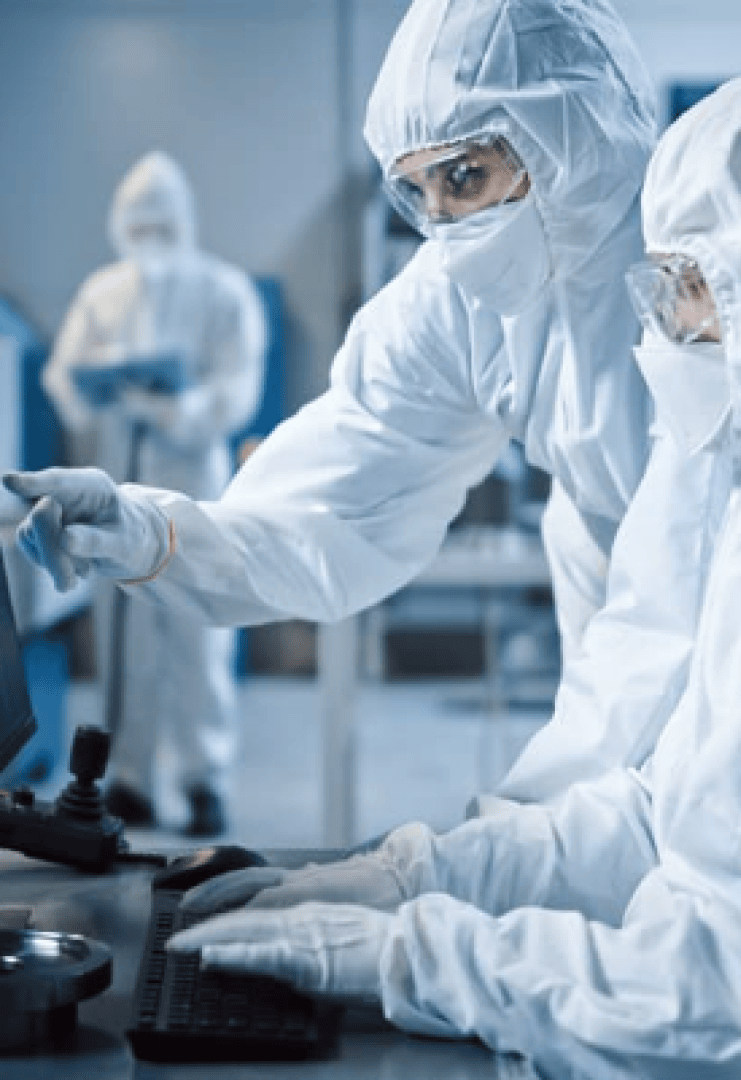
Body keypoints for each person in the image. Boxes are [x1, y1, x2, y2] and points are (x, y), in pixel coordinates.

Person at [162, 59, 741, 1078]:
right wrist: (415, 878)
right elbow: (665, 814)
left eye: (693, 287)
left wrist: (417, 956)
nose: (669, 329)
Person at [4, 0, 657, 703]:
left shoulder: (713, 264)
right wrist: (151, 532)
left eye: (463, 177)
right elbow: (338, 500)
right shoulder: (453, 299)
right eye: (417, 189)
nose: (438, 221)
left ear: (569, 135)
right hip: (614, 633)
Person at [39, 151, 267, 835]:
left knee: (196, 635)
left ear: (183, 221)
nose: (149, 238)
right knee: (125, 640)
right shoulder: (101, 294)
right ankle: (130, 778)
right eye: (137, 225)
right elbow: (62, 377)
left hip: (194, 483)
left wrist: (177, 409)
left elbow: (237, 390)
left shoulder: (223, 292)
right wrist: (98, 391)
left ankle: (203, 780)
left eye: (160, 224)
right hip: (118, 483)